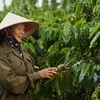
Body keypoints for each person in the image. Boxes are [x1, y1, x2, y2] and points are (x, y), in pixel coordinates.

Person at [0, 12, 58, 100]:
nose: (22, 32)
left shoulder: (22, 50)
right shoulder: (2, 52)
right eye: (19, 29)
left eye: (23, 29)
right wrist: (38, 75)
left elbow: (34, 71)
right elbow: (10, 82)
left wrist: (56, 70)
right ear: (8, 30)